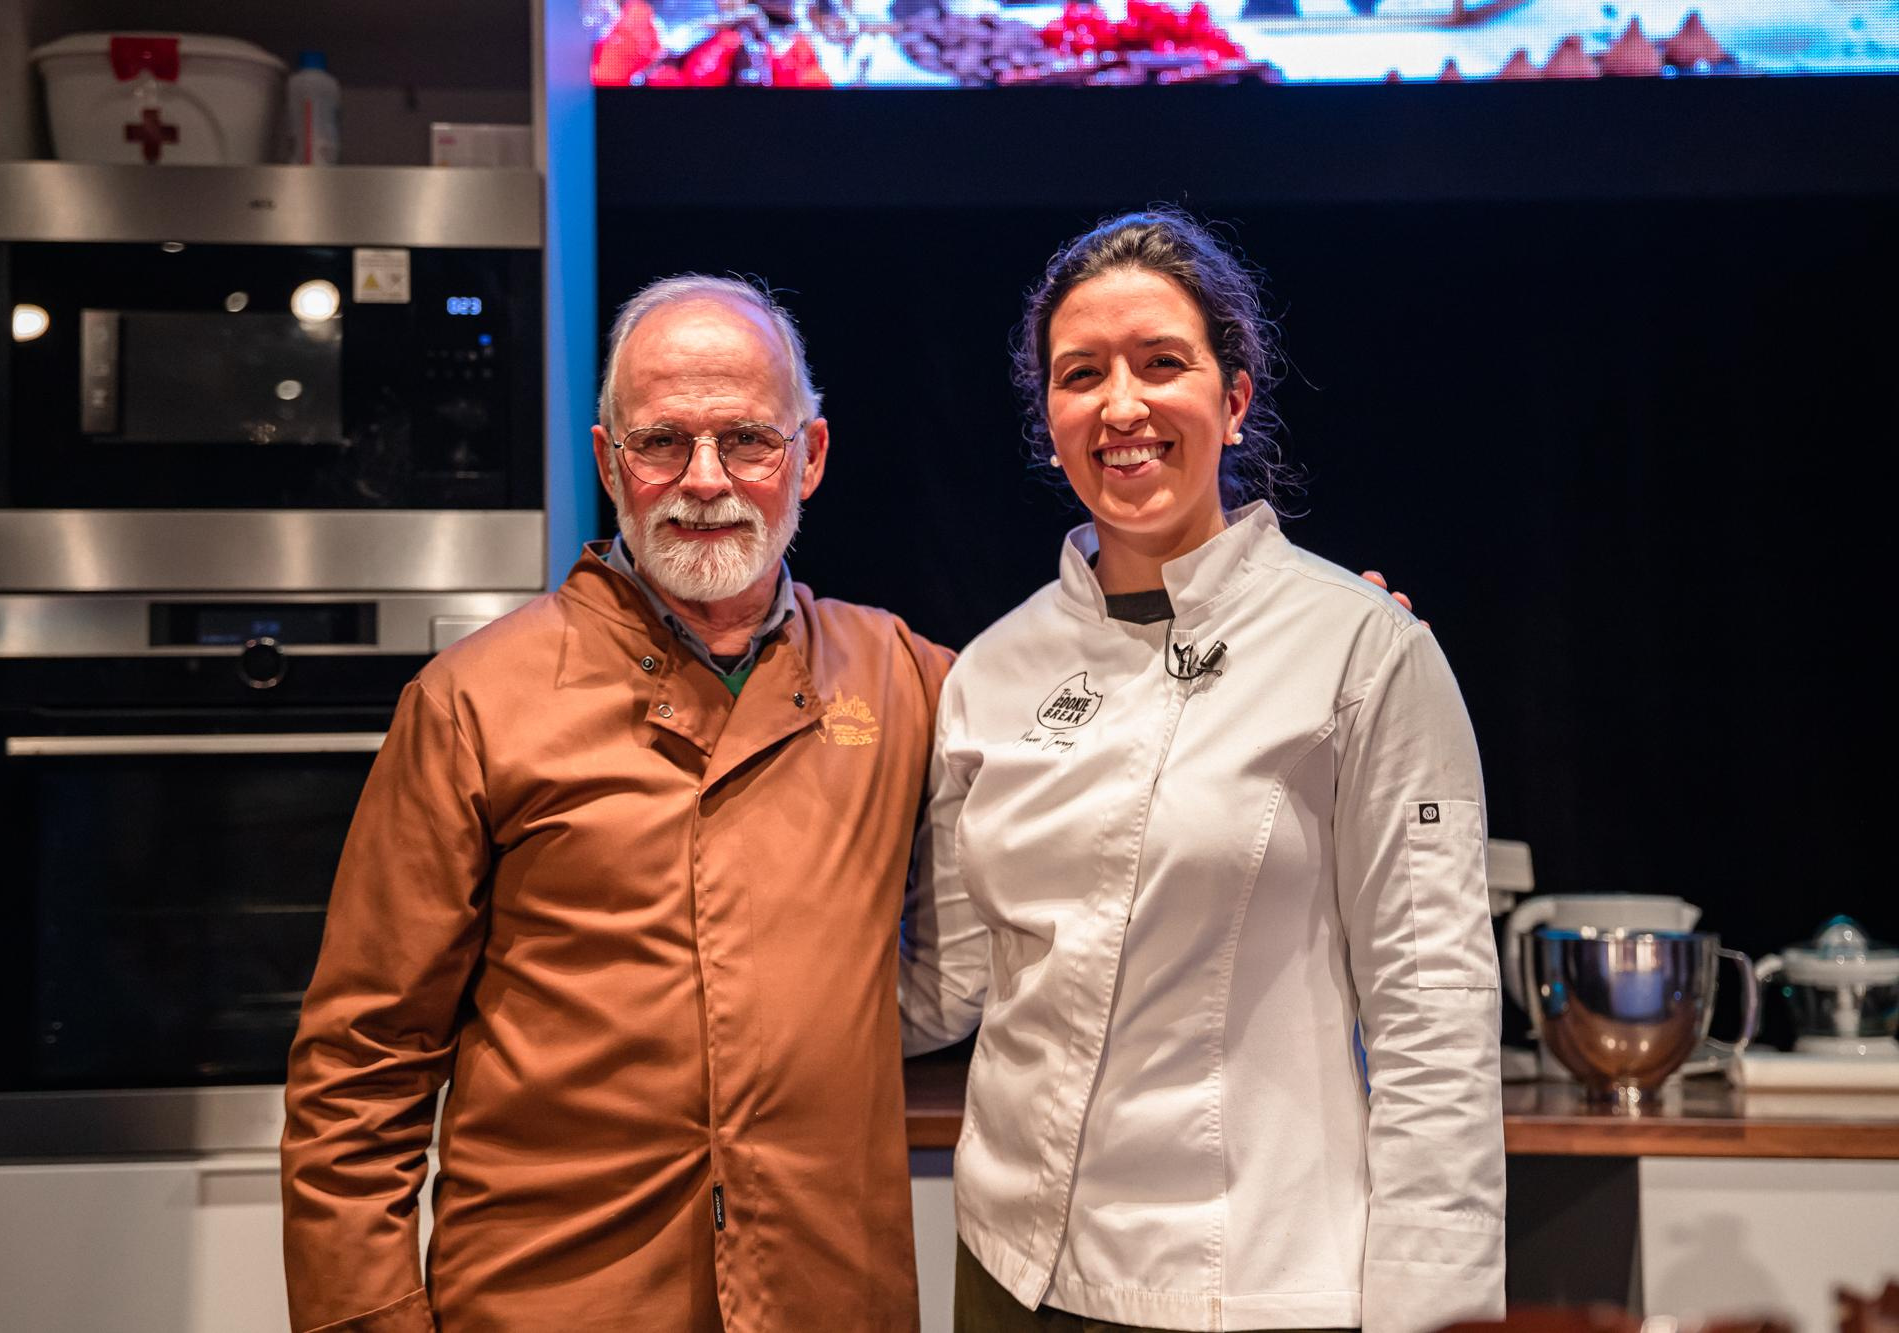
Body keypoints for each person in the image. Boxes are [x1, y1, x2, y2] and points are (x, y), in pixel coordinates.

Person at [280, 274, 950, 1332]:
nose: (703, 481)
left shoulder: (898, 677)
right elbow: (361, 1062)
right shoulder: (472, 701)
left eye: (746, 440)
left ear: (809, 458)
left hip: (828, 1296)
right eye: (660, 443)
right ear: (606, 461)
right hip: (549, 1300)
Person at [899, 211, 1505, 1333]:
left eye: (1160, 364)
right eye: (1081, 375)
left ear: (1232, 399)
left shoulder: (1362, 648)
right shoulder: (991, 669)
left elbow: (1435, 1021)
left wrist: (1437, 1315)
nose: (1120, 405)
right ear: (1049, 419)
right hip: (1004, 1269)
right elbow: (945, 983)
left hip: (1247, 1282)